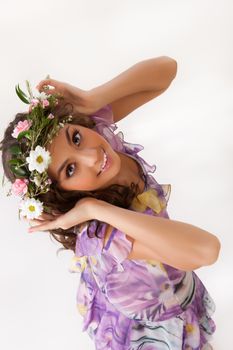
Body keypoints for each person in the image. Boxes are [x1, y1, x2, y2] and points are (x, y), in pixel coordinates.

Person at [0, 56, 220, 350]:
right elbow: (206, 250)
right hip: (153, 318)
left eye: (75, 137)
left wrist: (94, 98)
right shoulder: (105, 235)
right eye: (70, 169)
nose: (92, 156)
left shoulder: (100, 141)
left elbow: (166, 71)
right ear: (62, 194)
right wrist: (97, 209)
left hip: (165, 273)